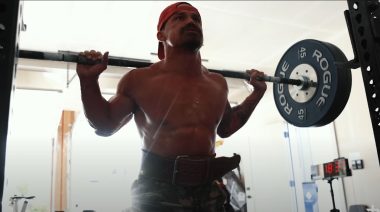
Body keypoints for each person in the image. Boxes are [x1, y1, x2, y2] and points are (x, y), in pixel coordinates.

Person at [76, 2, 267, 211]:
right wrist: (88, 81)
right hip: (159, 192)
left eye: (196, 19)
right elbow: (105, 125)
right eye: (179, 18)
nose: (190, 22)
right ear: (161, 35)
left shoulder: (217, 83)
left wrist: (257, 93)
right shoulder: (139, 80)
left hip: (208, 192)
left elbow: (227, 127)